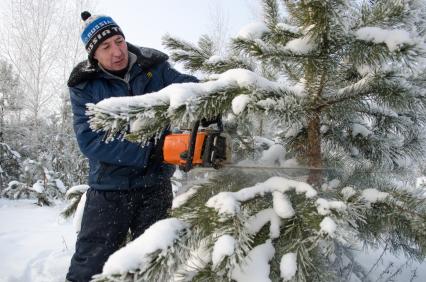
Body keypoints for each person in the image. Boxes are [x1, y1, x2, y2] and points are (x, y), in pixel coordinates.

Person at [66, 11, 198, 282]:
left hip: (155, 188)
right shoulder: (84, 86)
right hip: (108, 191)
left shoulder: (155, 68)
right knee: (90, 267)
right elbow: (90, 141)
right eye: (106, 47)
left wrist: (219, 93)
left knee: (151, 267)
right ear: (94, 55)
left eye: (119, 41)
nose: (117, 51)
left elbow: (188, 89)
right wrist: (150, 151)